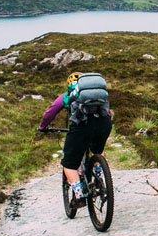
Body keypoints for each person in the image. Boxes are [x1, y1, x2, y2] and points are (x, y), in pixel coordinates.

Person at [37, 71, 113, 207]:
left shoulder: (67, 95)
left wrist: (43, 127)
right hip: (104, 123)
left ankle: (78, 196)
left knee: (69, 164)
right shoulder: (97, 93)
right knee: (98, 149)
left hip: (81, 126)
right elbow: (108, 112)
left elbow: (50, 112)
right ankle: (98, 175)